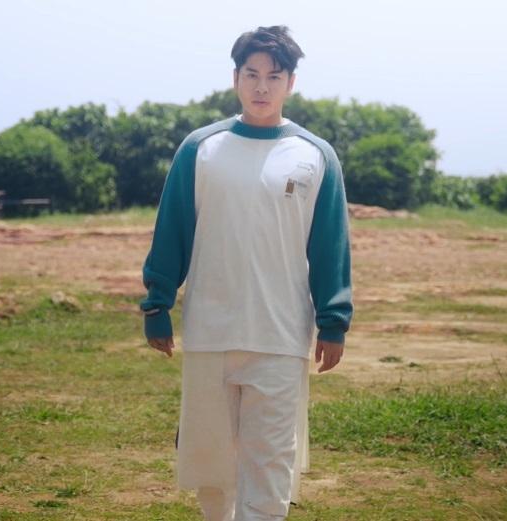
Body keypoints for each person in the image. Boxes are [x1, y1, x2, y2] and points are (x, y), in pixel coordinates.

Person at [139, 25, 353, 520]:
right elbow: (173, 231)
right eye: (251, 74)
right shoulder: (200, 148)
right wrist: (157, 305)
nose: (261, 87)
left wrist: (334, 321)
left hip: (281, 334)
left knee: (270, 463)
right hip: (210, 331)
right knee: (211, 465)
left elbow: (330, 246)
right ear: (235, 78)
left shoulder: (315, 156)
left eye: (274, 77)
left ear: (290, 83)